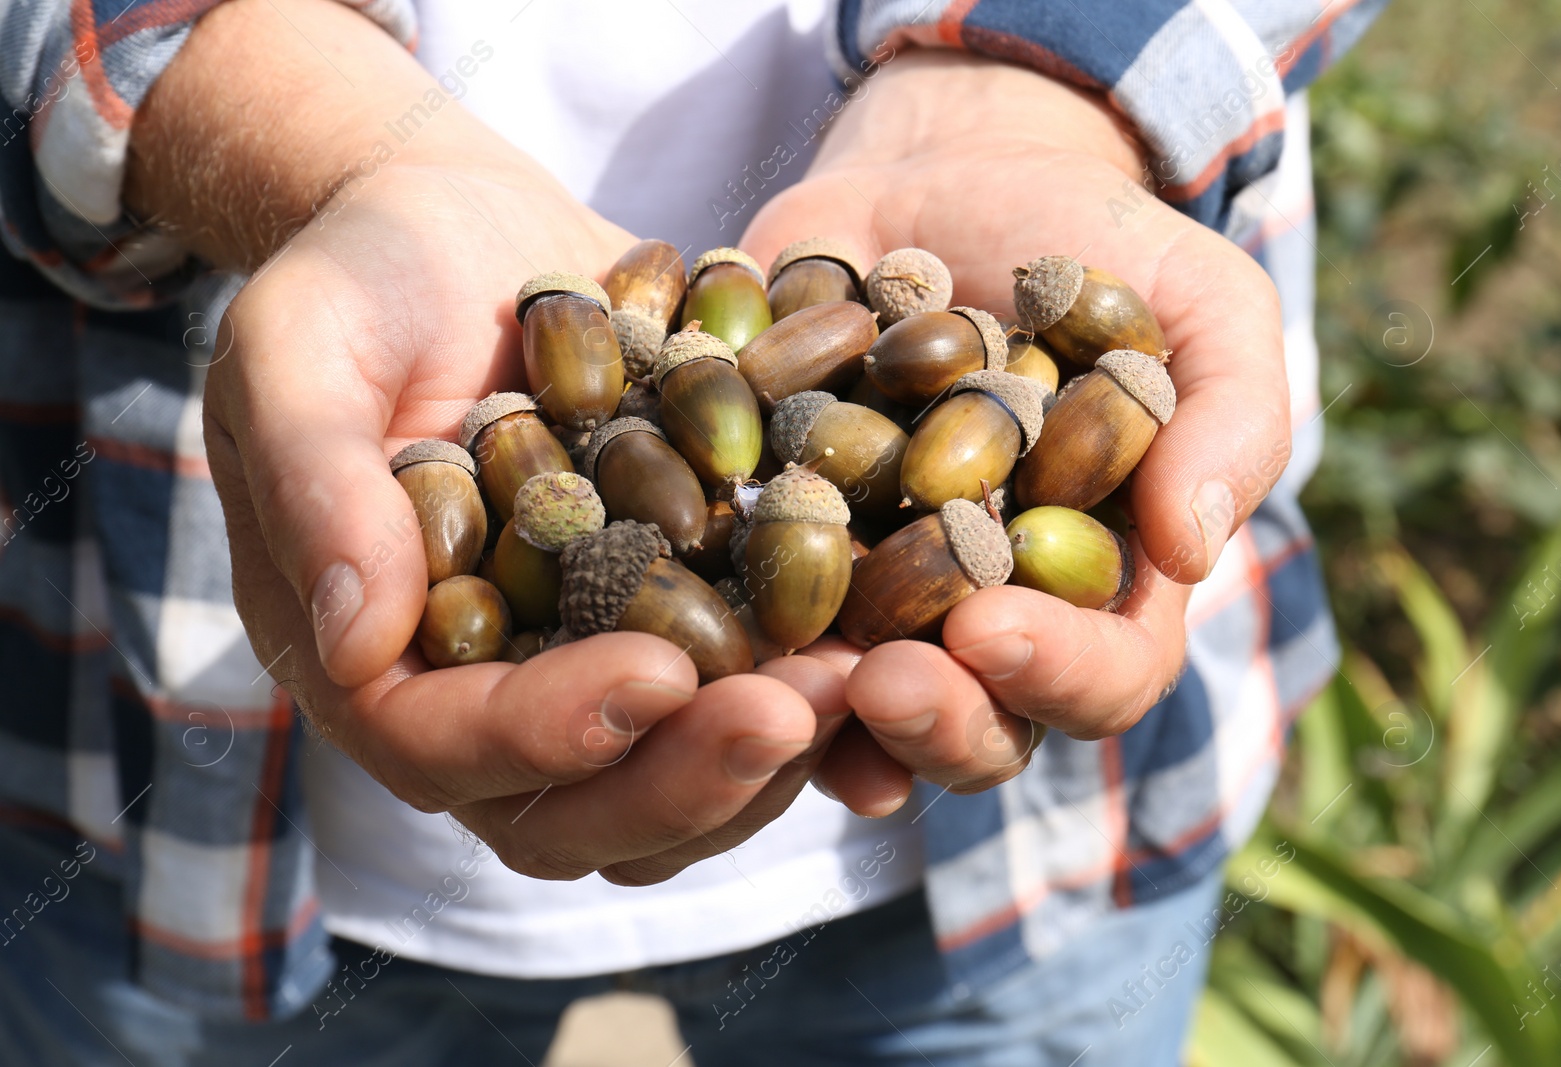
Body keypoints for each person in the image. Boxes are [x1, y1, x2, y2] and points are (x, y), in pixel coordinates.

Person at [0, 1, 1384, 1063]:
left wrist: (1046, 82)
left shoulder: (854, 416)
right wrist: (292, 121)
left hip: (1041, 870)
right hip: (174, 805)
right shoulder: (629, 427)